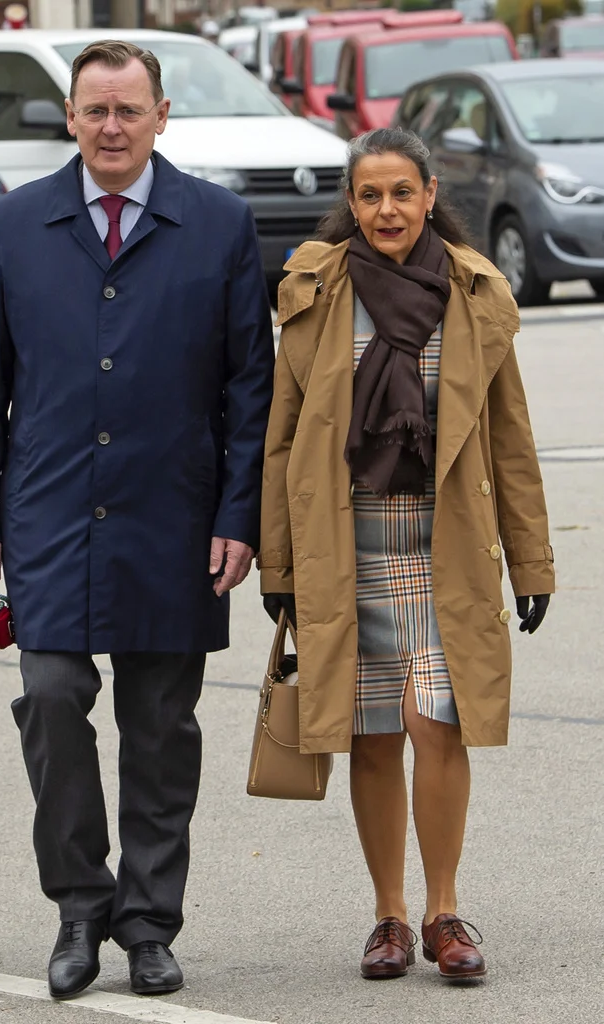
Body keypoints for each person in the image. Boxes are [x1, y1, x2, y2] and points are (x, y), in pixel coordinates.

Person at [0, 40, 273, 1000]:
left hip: (174, 518)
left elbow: (249, 389)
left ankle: (147, 924)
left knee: (161, 727)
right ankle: (79, 910)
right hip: (45, 514)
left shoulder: (217, 224)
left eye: (129, 110)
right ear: (69, 117)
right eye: (95, 110)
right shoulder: (16, 223)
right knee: (50, 700)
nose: (111, 127)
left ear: (161, 116)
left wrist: (238, 514)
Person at [259, 128, 553, 982]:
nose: (384, 210)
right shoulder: (317, 293)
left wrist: (530, 563)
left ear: (429, 195)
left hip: (445, 547)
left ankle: (443, 910)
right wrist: (279, 569)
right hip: (343, 551)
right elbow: (282, 442)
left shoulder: (474, 293)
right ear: (349, 205)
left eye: (400, 193)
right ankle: (387, 916)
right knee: (374, 733)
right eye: (367, 195)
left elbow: (509, 441)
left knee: (439, 724)